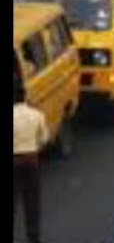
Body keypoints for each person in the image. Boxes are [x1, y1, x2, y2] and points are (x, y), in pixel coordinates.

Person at [13, 83, 49, 243]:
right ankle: (33, 238)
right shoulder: (37, 115)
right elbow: (44, 139)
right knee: (32, 201)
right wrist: (34, 148)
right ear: (25, 97)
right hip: (32, 160)